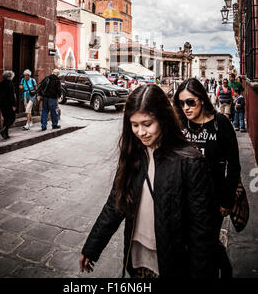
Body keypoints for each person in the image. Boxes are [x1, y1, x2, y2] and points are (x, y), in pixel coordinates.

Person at [79, 84, 218, 279]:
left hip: (173, 263)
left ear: (163, 118)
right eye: (134, 125)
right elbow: (115, 203)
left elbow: (202, 232)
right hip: (136, 258)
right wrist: (92, 246)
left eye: (147, 124)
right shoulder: (133, 154)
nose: (141, 132)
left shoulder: (190, 162)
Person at [174, 78, 241, 278]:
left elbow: (234, 165)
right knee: (188, 242)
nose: (185, 107)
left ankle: (219, 268)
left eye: (190, 102)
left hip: (212, 199)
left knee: (206, 243)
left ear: (202, 99)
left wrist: (227, 199)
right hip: (184, 197)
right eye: (181, 103)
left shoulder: (220, 123)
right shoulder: (180, 123)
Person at [0, 70, 17, 140]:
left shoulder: (1, 83)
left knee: (6, 118)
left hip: (1, 103)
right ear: (10, 76)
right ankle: (3, 129)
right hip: (8, 103)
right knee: (12, 118)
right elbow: (12, 96)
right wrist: (14, 105)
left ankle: (5, 134)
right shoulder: (10, 84)